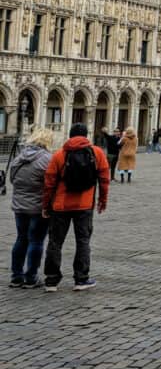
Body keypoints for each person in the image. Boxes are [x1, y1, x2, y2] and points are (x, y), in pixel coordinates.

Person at [42, 123, 110, 291]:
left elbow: (49, 183)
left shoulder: (59, 155)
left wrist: (46, 205)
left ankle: (51, 280)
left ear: (70, 135)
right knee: (83, 241)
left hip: (60, 205)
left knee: (55, 242)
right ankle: (81, 279)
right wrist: (102, 200)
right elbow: (104, 180)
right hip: (85, 205)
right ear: (86, 135)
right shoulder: (97, 153)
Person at [9, 127, 54, 289]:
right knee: (36, 241)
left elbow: (12, 179)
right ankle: (31, 277)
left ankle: (16, 276)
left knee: (21, 239)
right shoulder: (48, 159)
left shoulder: (19, 157)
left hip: (20, 206)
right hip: (38, 207)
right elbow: (51, 183)